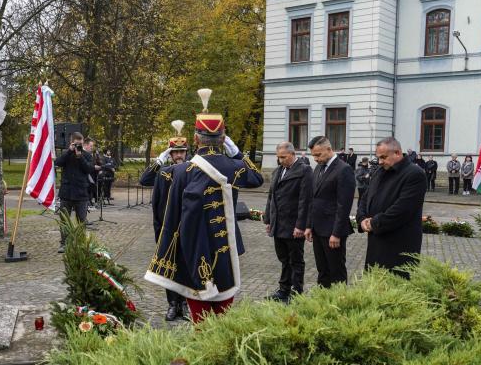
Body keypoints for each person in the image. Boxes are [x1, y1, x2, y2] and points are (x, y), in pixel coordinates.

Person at [144, 88, 264, 323]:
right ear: (223, 138)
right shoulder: (234, 167)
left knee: (200, 316)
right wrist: (238, 152)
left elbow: (170, 214)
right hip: (225, 248)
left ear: (196, 139)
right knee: (224, 313)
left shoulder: (180, 172)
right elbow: (257, 178)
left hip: (193, 247)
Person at [139, 123, 190, 321]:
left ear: (187, 153)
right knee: (168, 267)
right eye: (175, 152)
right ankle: (172, 304)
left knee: (185, 266)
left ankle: (185, 303)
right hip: (166, 228)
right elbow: (144, 180)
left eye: (182, 152)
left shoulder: (192, 170)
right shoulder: (163, 172)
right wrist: (159, 160)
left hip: (187, 228)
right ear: (170, 154)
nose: (179, 156)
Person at [356, 137, 427, 280]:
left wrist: (373, 223)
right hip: (376, 240)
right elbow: (365, 198)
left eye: (384, 157)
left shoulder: (415, 174)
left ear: (398, 153)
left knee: (396, 287)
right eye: (378, 157)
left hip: (399, 244)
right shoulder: (379, 171)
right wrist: (362, 219)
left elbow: (402, 210)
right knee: (373, 285)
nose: (380, 161)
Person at [264, 142, 313, 303]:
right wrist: (268, 220)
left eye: (283, 157)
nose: (280, 160)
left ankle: (296, 291)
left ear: (293, 154)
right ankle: (283, 290)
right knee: (284, 259)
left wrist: (301, 225)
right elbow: (271, 197)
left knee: (296, 260)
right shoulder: (278, 171)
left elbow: (305, 200)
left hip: (293, 225)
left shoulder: (304, 170)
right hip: (278, 224)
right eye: (278, 157)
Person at [304, 136, 355, 288]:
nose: (315, 158)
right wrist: (308, 226)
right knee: (322, 270)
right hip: (318, 229)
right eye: (313, 155)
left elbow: (343, 206)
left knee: (336, 271)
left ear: (329, 149)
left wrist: (336, 233)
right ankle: (322, 301)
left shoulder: (344, 169)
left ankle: (340, 303)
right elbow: (313, 200)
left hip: (333, 232)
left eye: (318, 155)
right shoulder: (319, 167)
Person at [55, 132, 95, 253]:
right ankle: (64, 243)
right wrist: (69, 151)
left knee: (81, 220)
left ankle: (80, 243)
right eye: (77, 144)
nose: (79, 147)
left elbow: (89, 169)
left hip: (81, 193)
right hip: (66, 192)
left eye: (81, 144)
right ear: (71, 143)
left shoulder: (86, 155)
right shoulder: (66, 154)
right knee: (64, 219)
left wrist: (80, 156)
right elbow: (57, 163)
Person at [84, 138, 102, 208]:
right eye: (91, 146)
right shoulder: (82, 153)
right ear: (86, 145)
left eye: (92, 146)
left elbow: (95, 163)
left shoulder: (93, 154)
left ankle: (90, 201)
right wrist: (94, 167)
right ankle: (87, 201)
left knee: (91, 188)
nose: (92, 148)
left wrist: (97, 167)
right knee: (87, 188)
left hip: (93, 174)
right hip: (86, 175)